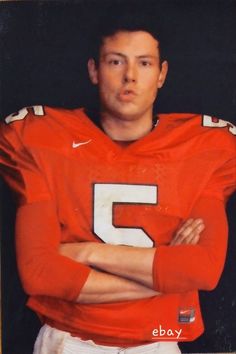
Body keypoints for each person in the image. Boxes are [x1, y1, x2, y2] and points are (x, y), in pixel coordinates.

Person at [0, 10, 236, 354]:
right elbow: (40, 272)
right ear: (94, 70)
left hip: (157, 341)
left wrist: (85, 252)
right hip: (69, 339)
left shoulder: (206, 147)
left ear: (161, 74)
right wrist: (166, 273)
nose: (129, 77)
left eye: (143, 63)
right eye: (115, 62)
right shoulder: (39, 138)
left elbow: (203, 269)